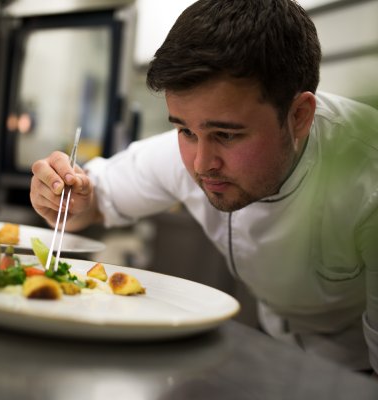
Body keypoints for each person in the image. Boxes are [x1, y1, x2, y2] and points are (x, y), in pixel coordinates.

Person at [30, 0, 378, 374]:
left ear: (299, 116)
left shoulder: (367, 183)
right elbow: (93, 202)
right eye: (184, 130)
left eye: (226, 134)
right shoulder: (193, 149)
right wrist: (62, 195)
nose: (200, 163)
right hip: (275, 345)